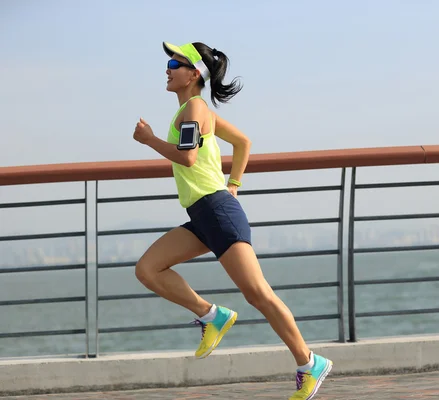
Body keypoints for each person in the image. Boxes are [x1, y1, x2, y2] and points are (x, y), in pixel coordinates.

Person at [132, 41, 333, 400]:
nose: (168, 68)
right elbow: (243, 142)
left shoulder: (194, 108)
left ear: (194, 75)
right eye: (169, 61)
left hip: (217, 212)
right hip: (204, 214)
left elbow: (188, 158)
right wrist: (234, 185)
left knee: (258, 294)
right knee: (148, 269)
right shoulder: (196, 109)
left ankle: (309, 362)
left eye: (175, 63)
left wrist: (148, 141)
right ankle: (212, 315)